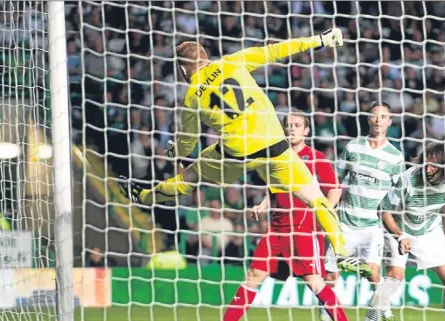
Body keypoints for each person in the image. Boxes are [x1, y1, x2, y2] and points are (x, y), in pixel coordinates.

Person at [119, 29, 350, 260]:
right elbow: (275, 51)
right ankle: (341, 250)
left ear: (182, 69)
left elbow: (188, 142)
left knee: (189, 176)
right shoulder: (233, 62)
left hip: (237, 153)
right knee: (316, 198)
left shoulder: (191, 96)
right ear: (205, 57)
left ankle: (145, 197)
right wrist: (319, 40)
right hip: (274, 144)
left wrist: (174, 152)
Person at [198, 110, 355, 321]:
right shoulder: (276, 157)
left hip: (303, 229)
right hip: (276, 229)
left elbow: (335, 189)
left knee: (314, 282)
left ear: (306, 131)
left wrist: (323, 213)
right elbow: (275, 189)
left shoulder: (316, 158)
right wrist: (263, 204)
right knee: (253, 275)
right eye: (288, 125)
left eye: (297, 125)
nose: (291, 128)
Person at [353, 142, 445, 321]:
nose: (427, 169)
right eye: (425, 164)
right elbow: (384, 211)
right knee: (394, 277)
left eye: (433, 166)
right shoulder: (408, 179)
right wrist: (400, 236)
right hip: (399, 228)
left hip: (429, 229)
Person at [309, 102, 405, 321]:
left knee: (373, 275)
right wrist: (327, 214)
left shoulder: (395, 157)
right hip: (344, 223)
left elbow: (397, 194)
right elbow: (336, 183)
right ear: (368, 119)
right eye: (375, 116)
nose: (379, 121)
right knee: (330, 278)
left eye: (384, 117)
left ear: (390, 122)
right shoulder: (352, 147)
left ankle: (387, 313)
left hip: (371, 227)